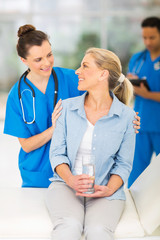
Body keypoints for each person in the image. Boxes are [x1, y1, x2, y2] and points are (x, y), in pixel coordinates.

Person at [3, 24, 140, 188]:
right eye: (38, 59)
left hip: (72, 171)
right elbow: (26, 145)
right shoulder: (16, 95)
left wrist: (124, 120)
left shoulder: (72, 78)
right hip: (36, 173)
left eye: (49, 54)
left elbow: (103, 99)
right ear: (24, 61)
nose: (47, 62)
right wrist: (55, 129)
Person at [45, 48, 136, 240]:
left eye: (85, 66)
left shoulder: (127, 117)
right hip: (65, 186)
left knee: (98, 231)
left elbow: (124, 164)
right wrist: (70, 179)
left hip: (106, 190)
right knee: (69, 226)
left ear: (103, 74)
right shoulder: (66, 108)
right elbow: (57, 154)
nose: (77, 71)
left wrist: (110, 189)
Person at [127, 17, 160, 187]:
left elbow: (145, 93)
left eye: (152, 37)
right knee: (136, 172)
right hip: (140, 124)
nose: (147, 42)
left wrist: (147, 94)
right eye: (144, 37)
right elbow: (128, 90)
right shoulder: (137, 59)